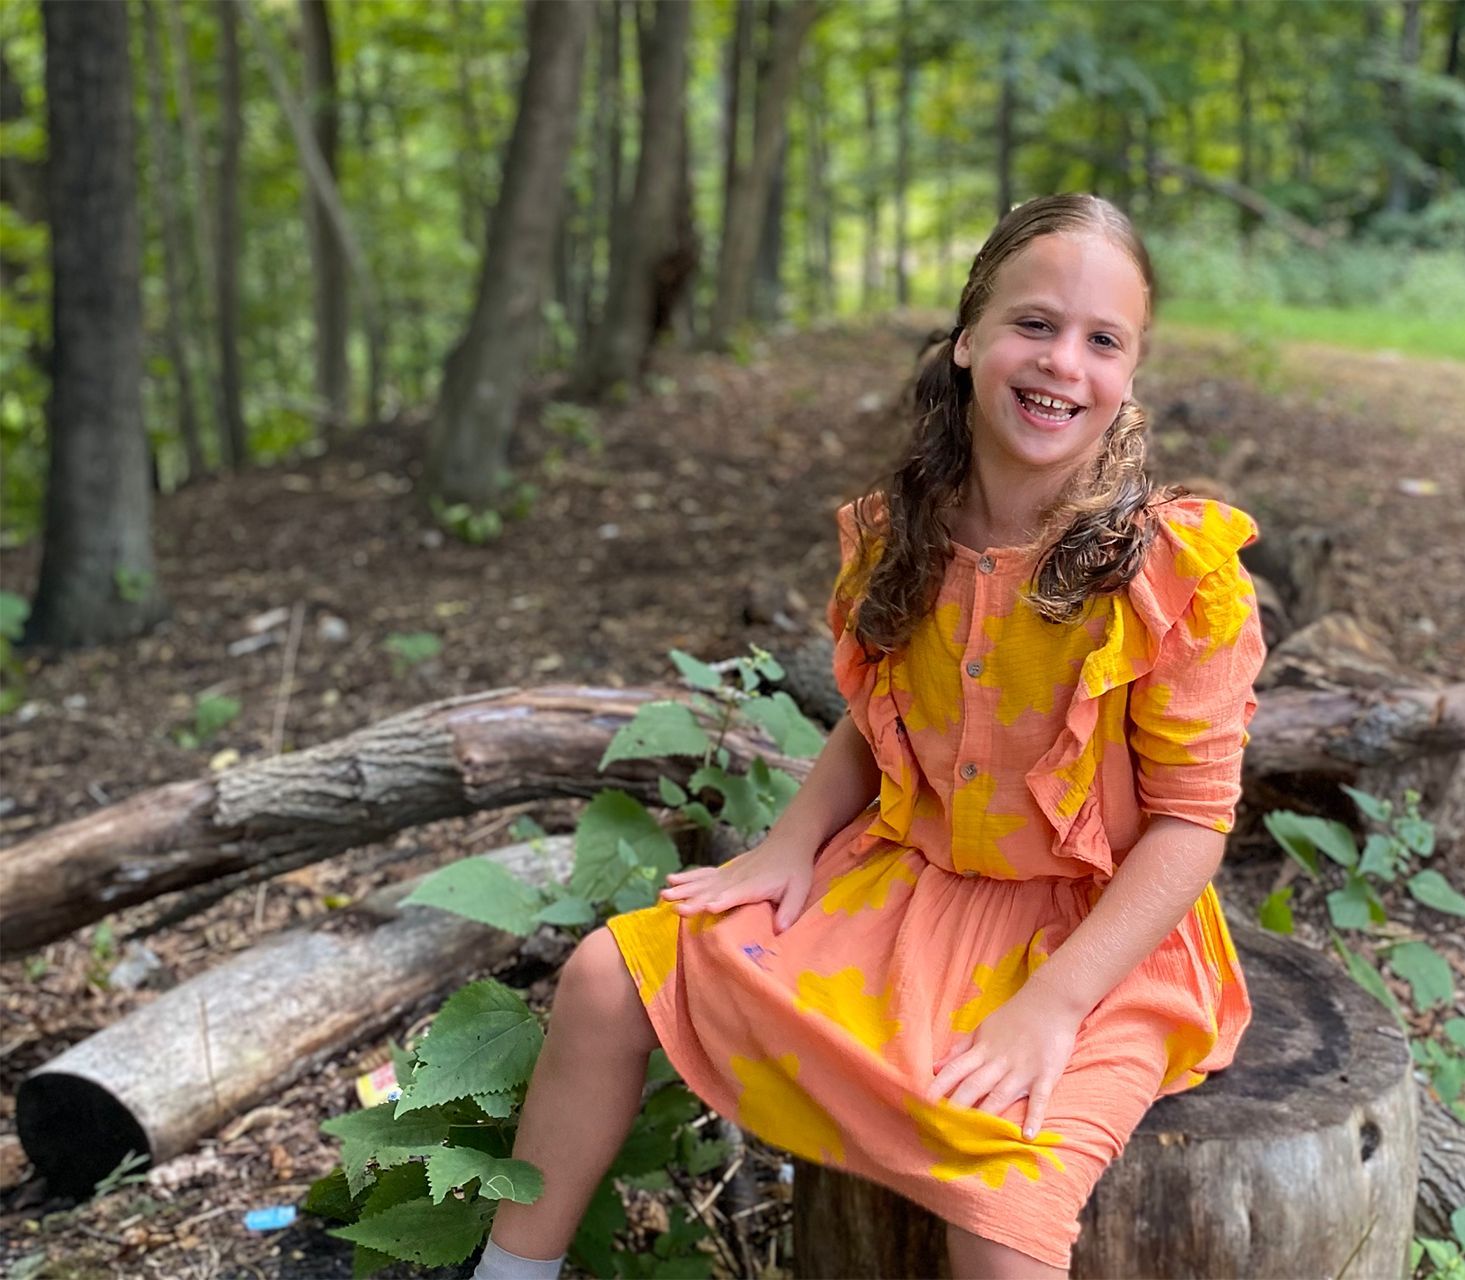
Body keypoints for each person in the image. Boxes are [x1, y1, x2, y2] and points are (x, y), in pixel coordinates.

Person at [475, 193, 1267, 1280]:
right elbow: (879, 716)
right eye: (1034, 323)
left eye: (1103, 340)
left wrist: (1052, 1005)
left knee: (1001, 1211)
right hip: (911, 888)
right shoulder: (902, 530)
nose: (1062, 363)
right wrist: (787, 845)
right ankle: (512, 1269)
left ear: (1131, 374)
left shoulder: (1172, 571)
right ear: (967, 338)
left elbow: (1190, 825)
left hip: (1093, 942)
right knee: (608, 977)